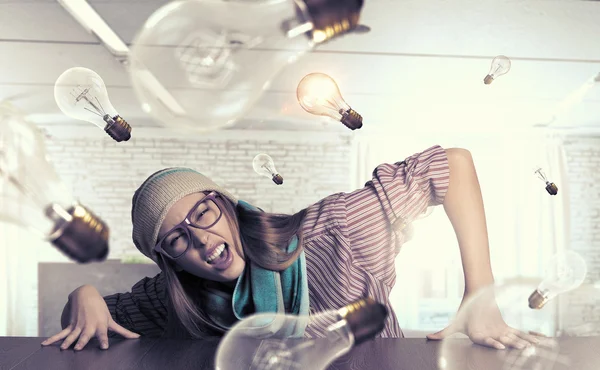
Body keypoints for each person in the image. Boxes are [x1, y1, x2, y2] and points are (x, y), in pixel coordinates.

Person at [42, 145, 540, 351]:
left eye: (202, 214)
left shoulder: (335, 232)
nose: (202, 241)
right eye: (176, 239)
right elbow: (100, 316)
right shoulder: (180, 294)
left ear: (227, 205)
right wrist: (83, 293)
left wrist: (482, 297)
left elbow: (450, 163)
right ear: (170, 259)